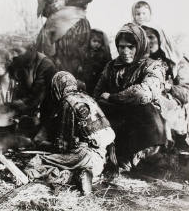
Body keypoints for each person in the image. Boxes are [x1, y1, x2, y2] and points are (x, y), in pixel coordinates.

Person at [25, 71, 116, 195]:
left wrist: (46, 146)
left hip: (83, 154)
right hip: (101, 155)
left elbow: (64, 144)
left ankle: (73, 175)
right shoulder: (87, 98)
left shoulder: (67, 102)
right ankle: (81, 175)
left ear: (57, 87)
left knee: (39, 161)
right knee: (78, 166)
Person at [94, 23, 167, 170]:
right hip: (119, 121)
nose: (125, 51)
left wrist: (113, 98)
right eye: (121, 47)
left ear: (140, 46)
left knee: (146, 108)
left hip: (144, 125)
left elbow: (143, 93)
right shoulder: (111, 66)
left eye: (131, 47)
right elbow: (97, 94)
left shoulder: (153, 66)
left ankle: (144, 156)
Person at [36, 0, 93, 76]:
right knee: (43, 39)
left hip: (76, 18)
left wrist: (66, 0)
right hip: (56, 18)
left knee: (71, 55)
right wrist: (52, 3)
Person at [141, 24, 189, 150]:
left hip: (172, 104)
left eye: (151, 37)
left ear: (161, 38)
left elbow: (186, 91)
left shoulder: (178, 61)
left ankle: (175, 141)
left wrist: (169, 88)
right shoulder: (141, 60)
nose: (148, 41)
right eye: (144, 38)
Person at [77, 29, 111, 95]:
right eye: (94, 41)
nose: (96, 44)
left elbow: (106, 65)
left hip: (97, 78)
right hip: (86, 77)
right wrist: (81, 66)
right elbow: (83, 62)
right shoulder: (86, 52)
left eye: (99, 42)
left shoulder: (102, 54)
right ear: (89, 41)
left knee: (94, 91)